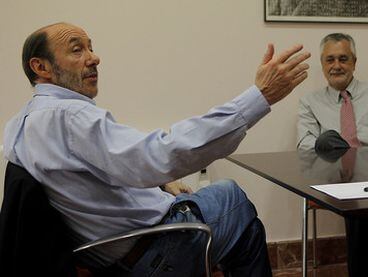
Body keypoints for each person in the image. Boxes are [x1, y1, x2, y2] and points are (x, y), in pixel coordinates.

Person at [3, 22, 310, 277]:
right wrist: (259, 98)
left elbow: (93, 171)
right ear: (40, 67)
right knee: (232, 197)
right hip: (153, 253)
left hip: (110, 258)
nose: (94, 57)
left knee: (242, 231)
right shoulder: (69, 116)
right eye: (76, 49)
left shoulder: (19, 125)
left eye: (91, 46)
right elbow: (161, 154)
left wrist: (161, 180)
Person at [297, 33, 368, 277]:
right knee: (360, 205)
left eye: (343, 58)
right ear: (322, 63)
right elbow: (305, 146)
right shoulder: (309, 102)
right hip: (336, 178)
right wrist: (324, 144)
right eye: (330, 60)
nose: (336, 65)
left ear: (354, 62)